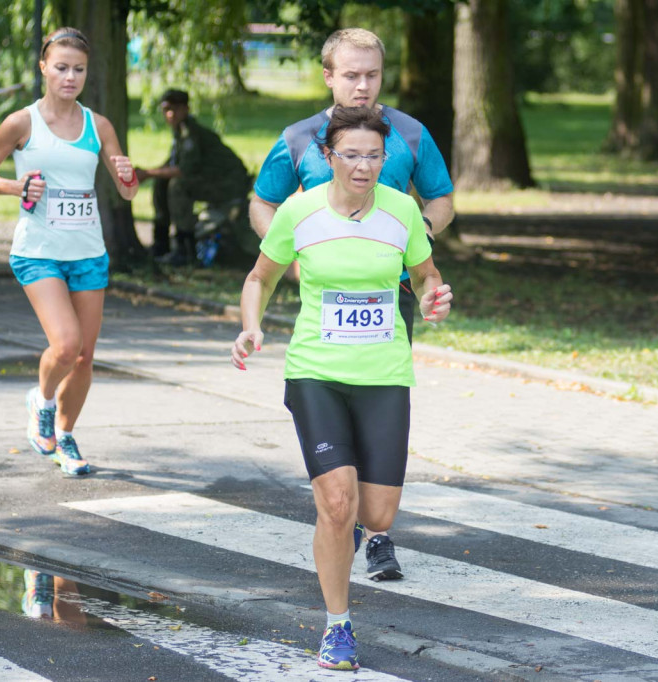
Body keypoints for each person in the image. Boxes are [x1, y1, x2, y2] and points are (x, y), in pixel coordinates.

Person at [232, 106, 453, 671]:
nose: (363, 166)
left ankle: (348, 530)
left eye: (374, 156)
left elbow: (426, 276)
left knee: (377, 515)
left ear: (386, 159)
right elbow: (260, 277)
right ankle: (337, 626)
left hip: (384, 375)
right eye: (351, 154)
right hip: (317, 374)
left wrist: (433, 298)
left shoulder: (403, 211)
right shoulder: (300, 212)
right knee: (335, 503)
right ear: (327, 157)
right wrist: (251, 326)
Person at [249, 27, 454, 580]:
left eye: (372, 76)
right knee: (338, 398)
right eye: (351, 75)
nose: (362, 87)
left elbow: (440, 196)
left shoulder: (409, 134)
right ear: (329, 77)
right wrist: (289, 256)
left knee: (377, 404)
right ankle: (349, 516)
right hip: (324, 292)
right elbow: (263, 202)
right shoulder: (298, 138)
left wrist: (419, 238)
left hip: (393, 290)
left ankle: (376, 528)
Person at [0, 27, 139, 476]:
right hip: (38, 251)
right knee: (66, 345)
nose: (70, 76)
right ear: (44, 67)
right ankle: (42, 401)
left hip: (88, 252)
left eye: (78, 69)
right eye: (61, 67)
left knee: (85, 357)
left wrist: (127, 175)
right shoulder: (21, 123)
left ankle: (65, 436)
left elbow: (127, 193)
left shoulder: (98, 125)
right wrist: (13, 185)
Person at [135, 89, 251, 265]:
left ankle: (185, 249)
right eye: (166, 109)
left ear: (186, 109)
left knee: (178, 186)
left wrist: (147, 174)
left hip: (229, 185)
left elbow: (183, 171)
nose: (171, 114)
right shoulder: (181, 132)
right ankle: (161, 243)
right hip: (215, 181)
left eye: (176, 109)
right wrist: (148, 173)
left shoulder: (190, 134)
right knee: (161, 182)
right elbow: (170, 165)